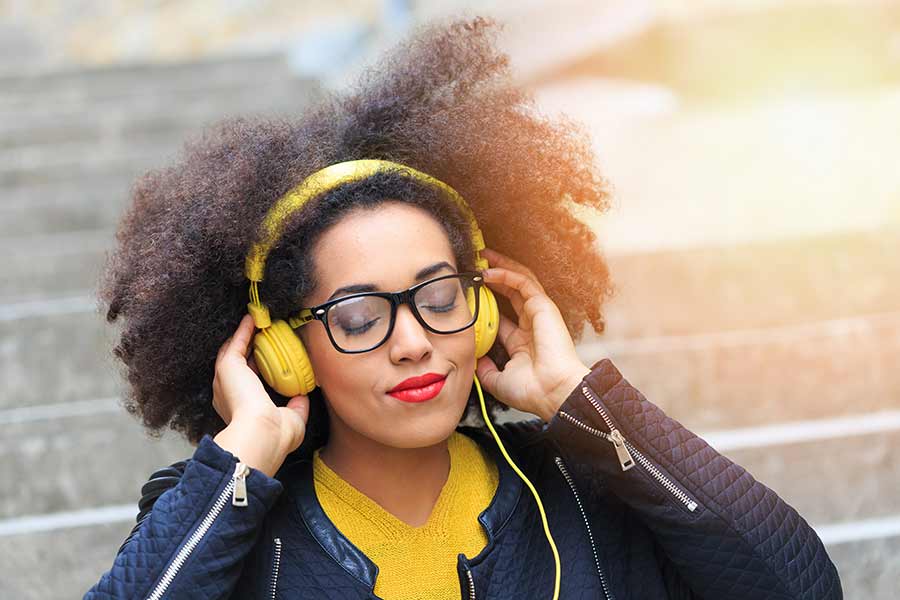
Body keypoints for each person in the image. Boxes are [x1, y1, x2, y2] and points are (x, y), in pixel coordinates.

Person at [85, 16, 842, 600]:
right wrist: (238, 464)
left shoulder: (584, 497)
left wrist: (586, 407)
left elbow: (803, 587)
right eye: (358, 316)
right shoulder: (224, 520)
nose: (413, 342)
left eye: (440, 298)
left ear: (482, 313)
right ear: (287, 348)